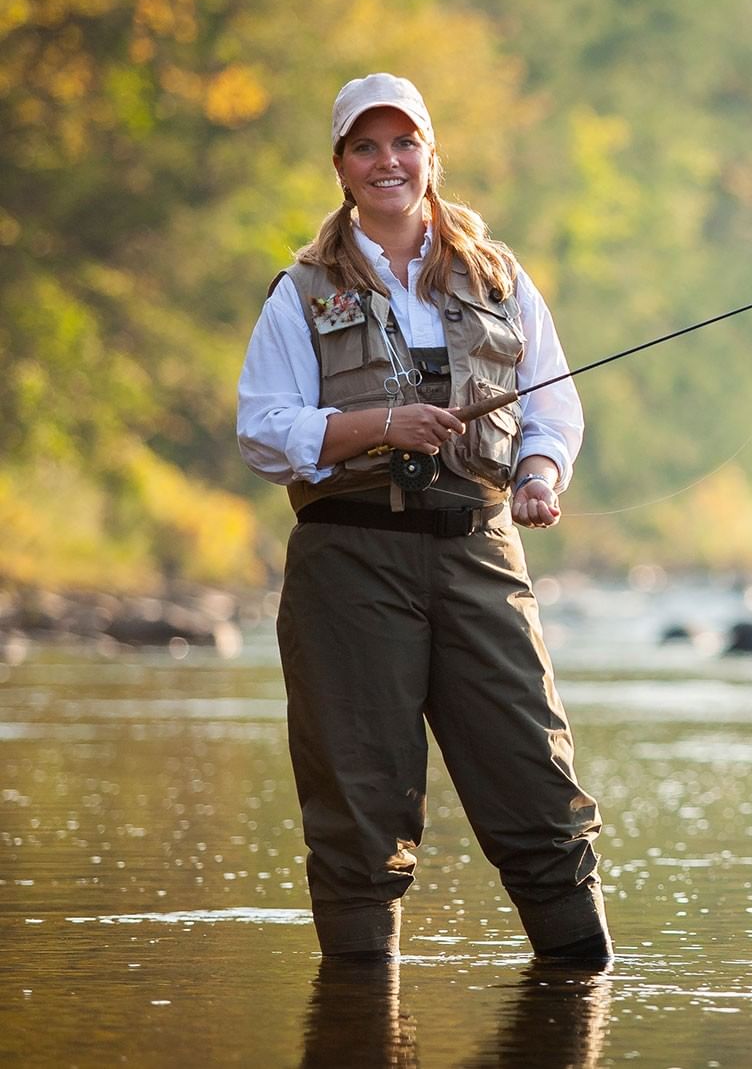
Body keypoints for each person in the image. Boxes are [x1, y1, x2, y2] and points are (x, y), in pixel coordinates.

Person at [237, 72, 610, 965]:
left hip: (480, 552)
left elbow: (553, 405)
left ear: (431, 156)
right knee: (359, 802)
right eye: (366, 146)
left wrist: (538, 475)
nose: (387, 161)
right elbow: (262, 426)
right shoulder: (300, 290)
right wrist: (379, 425)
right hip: (348, 560)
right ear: (340, 166)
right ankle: (361, 1009)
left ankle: (581, 984)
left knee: (535, 780)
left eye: (403, 143)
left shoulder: (498, 275)